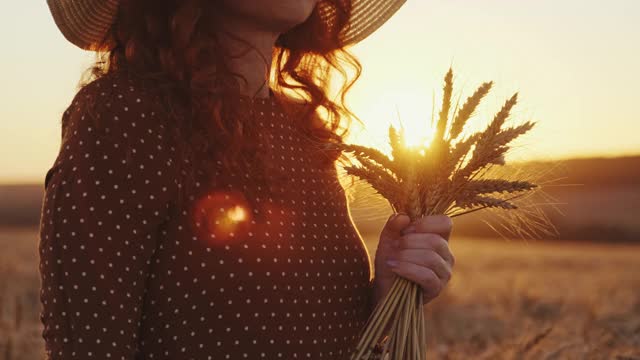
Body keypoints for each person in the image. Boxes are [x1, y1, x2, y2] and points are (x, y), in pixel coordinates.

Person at [39, 0, 455, 358]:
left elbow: (305, 337)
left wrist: (383, 297)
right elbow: (89, 346)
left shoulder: (306, 131)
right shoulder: (127, 116)